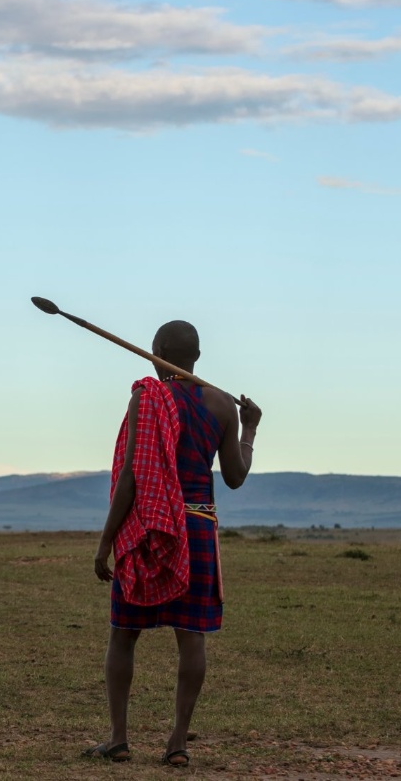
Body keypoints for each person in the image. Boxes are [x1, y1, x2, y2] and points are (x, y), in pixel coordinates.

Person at [82, 320, 261, 768]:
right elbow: (236, 478)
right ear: (195, 356)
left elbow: (132, 476)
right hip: (197, 527)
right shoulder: (223, 406)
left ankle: (118, 739)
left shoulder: (147, 396)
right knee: (191, 637)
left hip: (149, 527)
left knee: (123, 635)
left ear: (157, 350)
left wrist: (106, 541)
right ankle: (177, 744)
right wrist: (250, 428)